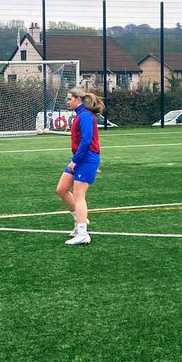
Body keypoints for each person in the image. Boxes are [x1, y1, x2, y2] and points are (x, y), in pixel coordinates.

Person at [56, 88, 103, 245]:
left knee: (79, 195)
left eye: (69, 99)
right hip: (82, 158)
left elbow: (87, 140)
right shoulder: (80, 116)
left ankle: (83, 233)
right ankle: (79, 219)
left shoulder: (85, 116)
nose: (68, 102)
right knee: (62, 189)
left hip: (86, 158)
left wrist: (76, 161)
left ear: (78, 99)